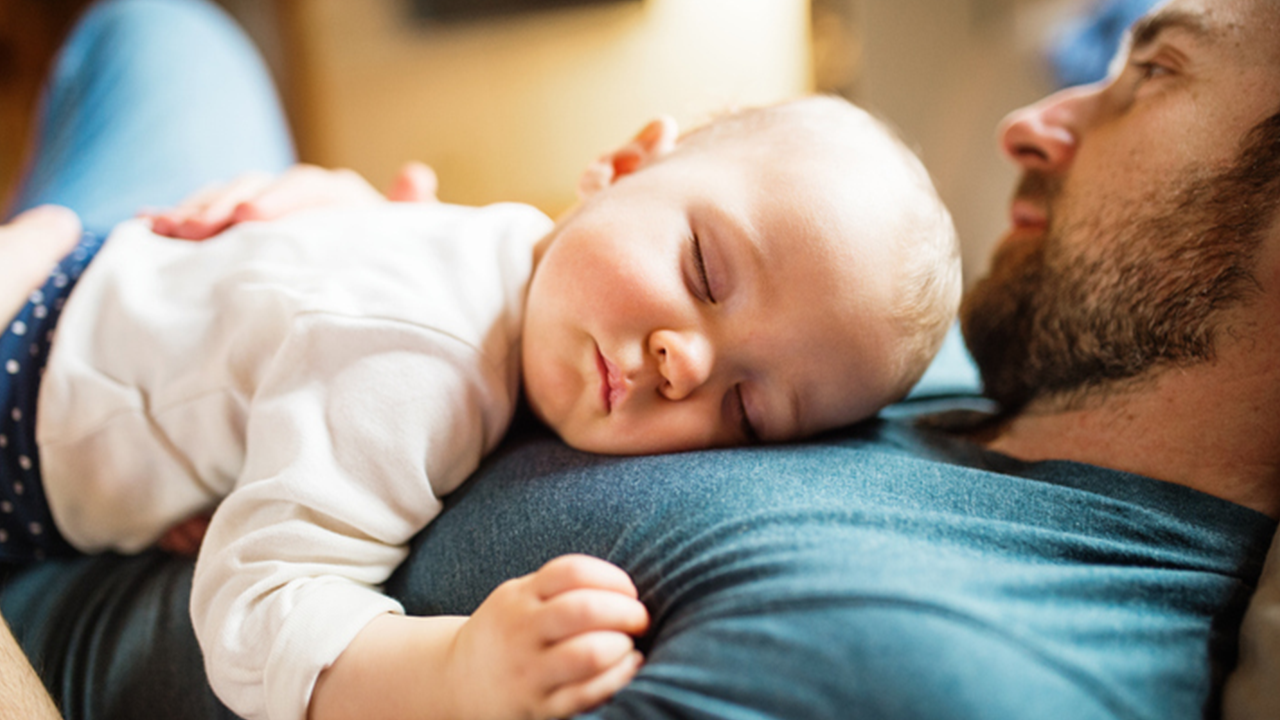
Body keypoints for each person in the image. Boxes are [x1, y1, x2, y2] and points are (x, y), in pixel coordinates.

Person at [4, 0, 1278, 718]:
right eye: (706, 272)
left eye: (1152, 72)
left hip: (47, 508)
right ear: (623, 162)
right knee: (162, 24)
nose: (1030, 118)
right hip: (181, 314)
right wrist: (368, 246)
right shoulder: (967, 349)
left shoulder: (946, 670)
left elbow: (269, 624)